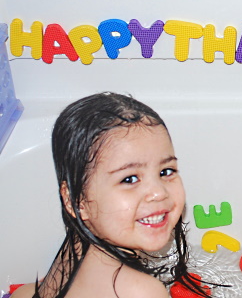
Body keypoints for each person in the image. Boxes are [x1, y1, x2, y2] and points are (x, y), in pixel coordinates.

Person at [11, 92, 211, 298]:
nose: (159, 192)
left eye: (166, 172)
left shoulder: (74, 249)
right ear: (76, 200)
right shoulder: (141, 292)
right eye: (130, 179)